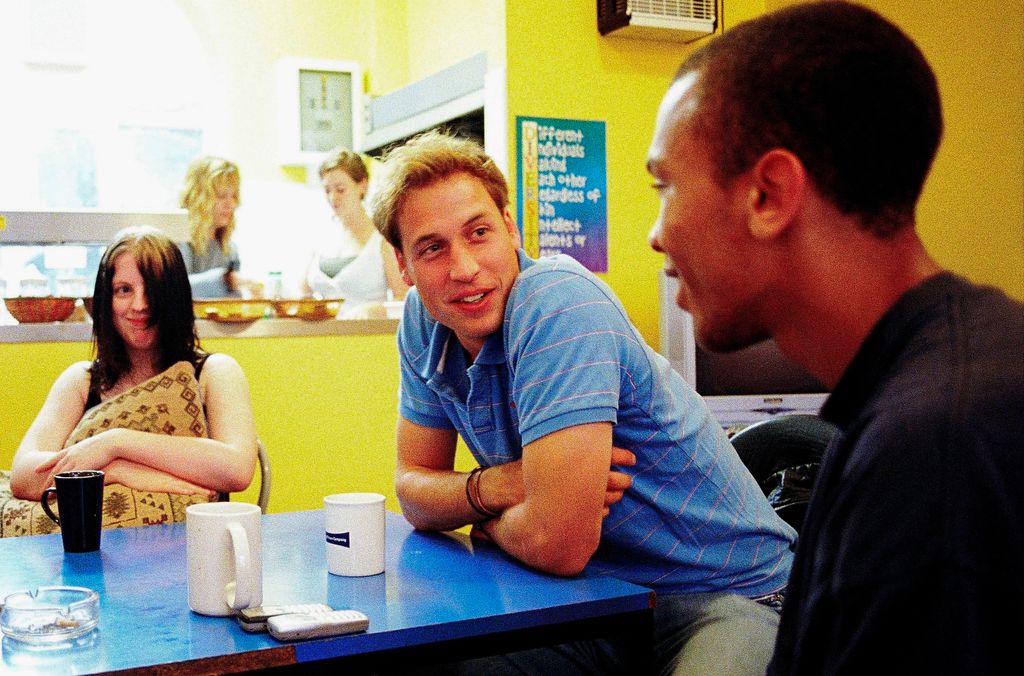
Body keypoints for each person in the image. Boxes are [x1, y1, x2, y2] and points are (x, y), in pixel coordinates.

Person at [645, 3, 1023, 674]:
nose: (657, 233)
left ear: (769, 195)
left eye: (666, 185)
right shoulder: (967, 371)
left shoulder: (930, 455)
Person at [371, 130, 797, 675]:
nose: (463, 268)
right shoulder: (423, 321)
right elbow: (412, 490)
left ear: (510, 227)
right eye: (432, 248)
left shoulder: (556, 304)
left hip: (733, 595)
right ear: (405, 267)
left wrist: (483, 523)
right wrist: (506, 484)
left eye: (478, 233)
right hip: (604, 599)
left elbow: (558, 543)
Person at [10, 226, 258, 501]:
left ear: (174, 297)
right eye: (124, 290)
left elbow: (237, 469)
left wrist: (115, 443)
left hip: (193, 541)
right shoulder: (81, 381)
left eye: (153, 289)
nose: (140, 304)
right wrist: (116, 471)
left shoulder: (215, 372)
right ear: (107, 299)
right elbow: (22, 477)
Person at [303, 147, 407, 315]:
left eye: (340, 189)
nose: (333, 198)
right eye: (327, 190)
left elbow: (402, 299)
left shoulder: (382, 239)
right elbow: (303, 293)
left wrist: (372, 310)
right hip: (321, 338)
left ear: (362, 185)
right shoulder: (321, 237)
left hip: (364, 336)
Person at [178, 155, 261, 298]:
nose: (230, 204)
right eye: (221, 196)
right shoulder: (178, 242)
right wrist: (224, 280)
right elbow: (174, 290)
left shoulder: (229, 249)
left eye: (234, 196)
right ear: (198, 197)